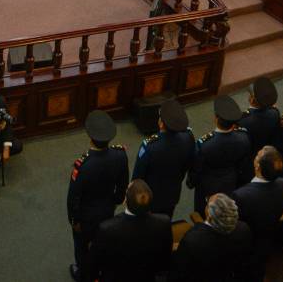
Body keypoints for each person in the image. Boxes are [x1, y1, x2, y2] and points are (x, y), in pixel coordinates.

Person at [68, 109, 128, 282]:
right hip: (108, 210)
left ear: (90, 136)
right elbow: (123, 185)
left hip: (86, 217)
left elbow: (73, 198)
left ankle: (83, 275)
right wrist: (115, 201)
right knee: (102, 242)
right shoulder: (120, 155)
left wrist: (74, 220)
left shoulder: (82, 166)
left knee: (82, 248)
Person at [88, 180, 172, 282]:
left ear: (125, 200)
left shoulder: (106, 229)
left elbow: (93, 264)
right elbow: (165, 259)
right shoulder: (164, 223)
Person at [231, 146, 283, 280]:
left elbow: (236, 223)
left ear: (257, 166)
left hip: (247, 243)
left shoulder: (241, 196)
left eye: (257, 155)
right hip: (268, 238)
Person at [188, 95, 252, 213]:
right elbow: (242, 162)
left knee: (203, 212)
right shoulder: (243, 137)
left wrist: (191, 182)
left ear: (216, 119)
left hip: (207, 185)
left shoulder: (204, 144)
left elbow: (197, 168)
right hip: (230, 180)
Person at [132, 98, 196, 217]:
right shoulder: (188, 138)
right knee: (166, 220)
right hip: (173, 193)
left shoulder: (150, 146)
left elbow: (138, 177)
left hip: (150, 197)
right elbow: (188, 164)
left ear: (161, 123)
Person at [237, 76, 280, 155]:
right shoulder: (274, 113)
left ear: (252, 100)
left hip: (250, 153)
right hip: (267, 148)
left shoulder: (243, 120)